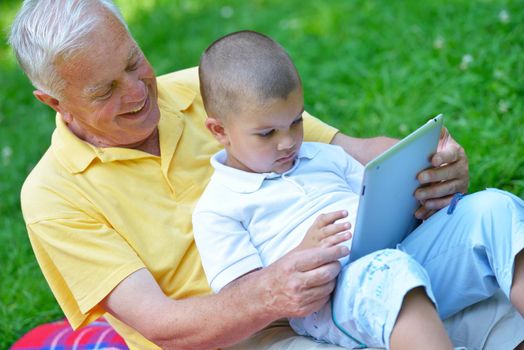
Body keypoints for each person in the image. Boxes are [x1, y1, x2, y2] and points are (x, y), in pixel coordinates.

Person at [8, 0, 522, 349]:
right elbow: (161, 327)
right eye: (104, 91)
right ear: (54, 102)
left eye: (134, 63)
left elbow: (354, 151)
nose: (137, 92)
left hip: (350, 273)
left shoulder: (209, 88)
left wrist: (433, 163)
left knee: (491, 272)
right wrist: (272, 292)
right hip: (241, 339)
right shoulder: (53, 196)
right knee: (401, 298)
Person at [192, 30, 524, 350]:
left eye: (296, 121)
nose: (288, 142)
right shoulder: (218, 208)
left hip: (401, 254)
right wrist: (299, 257)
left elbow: (378, 200)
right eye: (267, 134)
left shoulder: (324, 156)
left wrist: (417, 198)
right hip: (333, 301)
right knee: (391, 272)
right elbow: (245, 298)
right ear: (220, 130)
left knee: (495, 209)